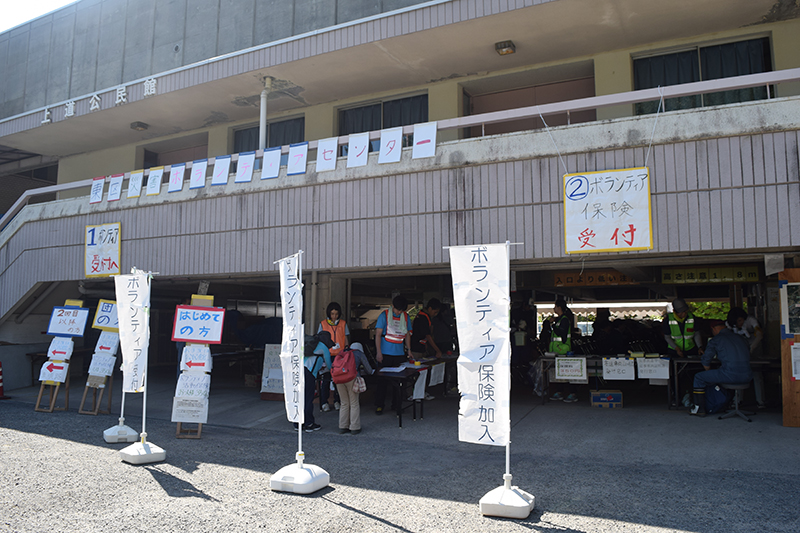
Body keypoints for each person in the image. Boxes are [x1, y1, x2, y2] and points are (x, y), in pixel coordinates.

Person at [690, 319, 752, 417]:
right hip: (748, 375)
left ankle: (699, 409)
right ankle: (727, 403)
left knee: (699, 377)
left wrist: (710, 375)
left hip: (729, 374)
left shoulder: (716, 339)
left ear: (713, 329)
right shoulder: (740, 338)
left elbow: (706, 361)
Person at [374, 294, 413, 415]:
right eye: (398, 309)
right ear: (393, 307)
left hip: (399, 354)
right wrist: (378, 352)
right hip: (385, 354)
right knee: (382, 381)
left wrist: (409, 350)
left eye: (402, 310)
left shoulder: (406, 317)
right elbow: (378, 334)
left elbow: (407, 334)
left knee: (400, 382)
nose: (399, 312)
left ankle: (396, 405)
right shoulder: (384, 315)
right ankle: (380, 405)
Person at [727, 306, 766, 408]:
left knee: (757, 373)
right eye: (737, 321)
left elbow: (759, 334)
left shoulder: (751, 320)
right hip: (739, 346)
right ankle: (737, 400)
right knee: (739, 372)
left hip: (755, 345)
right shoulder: (730, 325)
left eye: (740, 320)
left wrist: (752, 348)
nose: (739, 323)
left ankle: (760, 401)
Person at [335, 342, 374, 435]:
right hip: (352, 379)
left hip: (339, 379)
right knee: (354, 403)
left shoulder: (342, 352)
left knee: (344, 403)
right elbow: (369, 370)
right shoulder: (359, 353)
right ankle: (354, 427)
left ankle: (343, 426)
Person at [300, 331, 333, 432]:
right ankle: (309, 423)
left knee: (300, 398)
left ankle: (298, 424)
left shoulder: (309, 343)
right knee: (308, 399)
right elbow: (329, 365)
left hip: (299, 370)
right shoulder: (323, 347)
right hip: (309, 373)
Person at [318, 302, 349, 412]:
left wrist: (346, 351)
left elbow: (345, 338)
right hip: (327, 356)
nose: (334, 316)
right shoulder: (323, 324)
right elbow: (320, 339)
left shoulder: (343, 324)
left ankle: (337, 401)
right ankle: (324, 402)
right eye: (332, 314)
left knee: (338, 380)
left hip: (339, 356)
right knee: (326, 379)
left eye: (336, 314)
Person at [548, 299, 579, 403]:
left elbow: (562, 334)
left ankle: (572, 393)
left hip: (563, 350)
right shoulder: (559, 319)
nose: (554, 308)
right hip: (557, 350)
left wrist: (553, 325)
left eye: (555, 306)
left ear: (559, 307)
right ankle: (560, 392)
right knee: (559, 373)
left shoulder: (564, 320)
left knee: (568, 372)